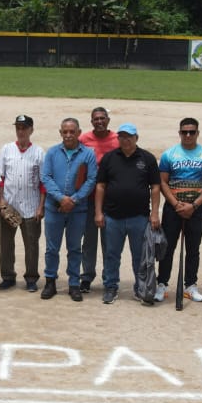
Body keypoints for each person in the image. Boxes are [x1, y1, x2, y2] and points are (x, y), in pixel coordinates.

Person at [94, 123, 161, 305]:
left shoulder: (147, 158)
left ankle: (141, 288)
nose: (125, 140)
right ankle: (110, 287)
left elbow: (155, 187)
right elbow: (100, 186)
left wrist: (154, 213)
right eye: (122, 136)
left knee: (139, 256)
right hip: (112, 216)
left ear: (136, 138)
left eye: (129, 136)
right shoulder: (109, 158)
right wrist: (98, 212)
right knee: (111, 255)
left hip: (139, 217)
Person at [156, 116, 202, 303]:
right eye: (184, 132)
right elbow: (163, 182)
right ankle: (162, 284)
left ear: (197, 133)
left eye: (192, 132)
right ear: (180, 133)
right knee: (168, 247)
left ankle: (190, 285)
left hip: (195, 208)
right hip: (173, 208)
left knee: (193, 248)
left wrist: (194, 205)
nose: (188, 135)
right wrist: (175, 204)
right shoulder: (169, 155)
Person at [41, 118, 97, 301]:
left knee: (74, 248)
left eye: (72, 131)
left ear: (79, 132)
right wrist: (61, 198)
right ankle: (50, 281)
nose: (68, 135)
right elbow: (46, 177)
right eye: (65, 131)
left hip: (77, 210)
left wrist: (73, 199)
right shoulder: (52, 153)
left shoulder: (88, 154)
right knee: (51, 248)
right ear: (60, 132)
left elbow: (90, 180)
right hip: (53, 208)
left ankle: (74, 283)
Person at [0, 114, 45, 292]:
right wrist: (1, 200)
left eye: (24, 128)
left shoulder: (38, 152)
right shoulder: (6, 149)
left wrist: (41, 206)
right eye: (18, 128)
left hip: (31, 207)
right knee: (6, 244)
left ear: (31, 130)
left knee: (32, 244)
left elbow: (43, 183)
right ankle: (8, 276)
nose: (21, 131)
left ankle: (31, 278)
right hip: (10, 205)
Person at [79, 106, 119, 292]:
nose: (100, 122)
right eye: (96, 119)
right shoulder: (84, 139)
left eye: (103, 118)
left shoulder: (117, 140)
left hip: (111, 199)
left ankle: (109, 277)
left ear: (108, 120)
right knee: (89, 240)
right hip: (88, 197)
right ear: (91, 121)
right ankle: (87, 276)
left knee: (109, 242)